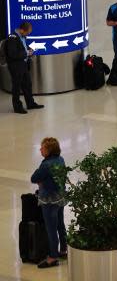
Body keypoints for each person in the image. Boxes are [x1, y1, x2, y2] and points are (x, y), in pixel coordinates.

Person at [31, 137, 67, 269]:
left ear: (49, 150)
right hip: (60, 197)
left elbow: (34, 178)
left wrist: (41, 181)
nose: (40, 149)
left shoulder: (45, 165)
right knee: (60, 225)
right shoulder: (60, 159)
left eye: (42, 148)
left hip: (49, 200)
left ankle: (53, 257)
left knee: (51, 229)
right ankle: (63, 249)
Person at [3, 21, 43, 114]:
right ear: (21, 30)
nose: (28, 34)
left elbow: (23, 47)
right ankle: (17, 107)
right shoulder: (12, 38)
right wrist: (26, 53)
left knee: (27, 84)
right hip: (15, 66)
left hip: (23, 64)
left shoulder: (22, 36)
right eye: (27, 32)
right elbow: (12, 54)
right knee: (16, 87)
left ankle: (30, 103)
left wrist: (29, 49)